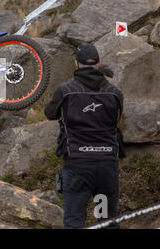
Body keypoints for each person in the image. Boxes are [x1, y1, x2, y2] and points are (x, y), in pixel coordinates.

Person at [44, 44, 126, 229]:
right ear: (99, 64)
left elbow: (49, 113)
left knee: (74, 222)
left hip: (78, 168)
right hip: (106, 168)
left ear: (76, 64)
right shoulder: (115, 94)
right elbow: (117, 120)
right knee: (107, 222)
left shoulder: (65, 91)